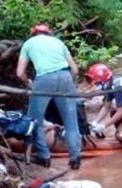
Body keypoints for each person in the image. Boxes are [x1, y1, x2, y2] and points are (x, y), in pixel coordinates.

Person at [16, 24, 82, 170]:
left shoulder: (28, 44)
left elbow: (19, 73)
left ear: (33, 34)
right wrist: (66, 83)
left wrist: (29, 83)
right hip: (65, 76)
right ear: (48, 33)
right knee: (71, 121)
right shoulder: (58, 42)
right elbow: (75, 70)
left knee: (35, 121)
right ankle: (75, 158)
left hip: (43, 79)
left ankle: (44, 157)